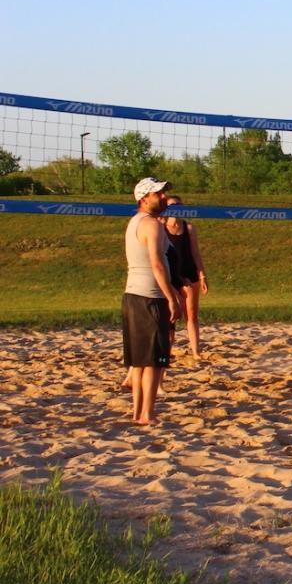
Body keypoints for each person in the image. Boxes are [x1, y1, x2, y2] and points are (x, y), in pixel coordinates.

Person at [122, 177, 182, 425]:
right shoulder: (151, 224)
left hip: (133, 296)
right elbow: (157, 264)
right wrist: (171, 297)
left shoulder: (135, 222)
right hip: (150, 297)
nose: (164, 197)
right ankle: (147, 414)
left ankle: (138, 413)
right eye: (158, 194)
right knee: (154, 362)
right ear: (144, 198)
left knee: (139, 362)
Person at [163, 194, 208, 358]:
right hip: (170, 276)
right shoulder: (161, 228)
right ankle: (166, 352)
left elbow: (195, 253)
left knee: (192, 314)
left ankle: (195, 351)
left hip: (189, 273)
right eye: (172, 205)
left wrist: (202, 275)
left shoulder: (188, 228)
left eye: (178, 205)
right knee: (170, 317)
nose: (175, 208)